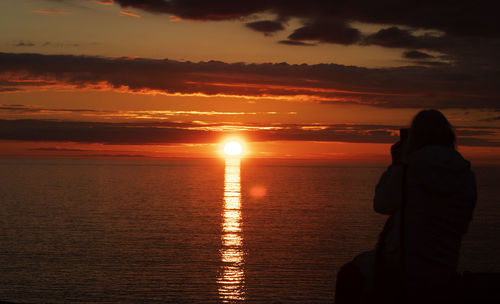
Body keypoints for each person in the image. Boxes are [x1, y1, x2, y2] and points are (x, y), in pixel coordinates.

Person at [335, 109, 477, 304]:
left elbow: (382, 204)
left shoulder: (409, 168)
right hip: (445, 265)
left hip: (404, 266)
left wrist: (396, 163)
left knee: (348, 274)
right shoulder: (466, 173)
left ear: (415, 137)